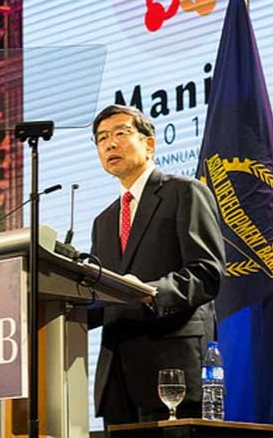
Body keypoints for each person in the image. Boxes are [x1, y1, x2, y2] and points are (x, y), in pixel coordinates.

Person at [88, 104, 225, 427]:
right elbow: (102, 293)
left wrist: (150, 293)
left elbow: (206, 273)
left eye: (121, 133)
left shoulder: (185, 192)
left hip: (172, 368)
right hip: (117, 375)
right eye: (101, 138)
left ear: (149, 143)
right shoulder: (104, 221)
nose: (110, 144)